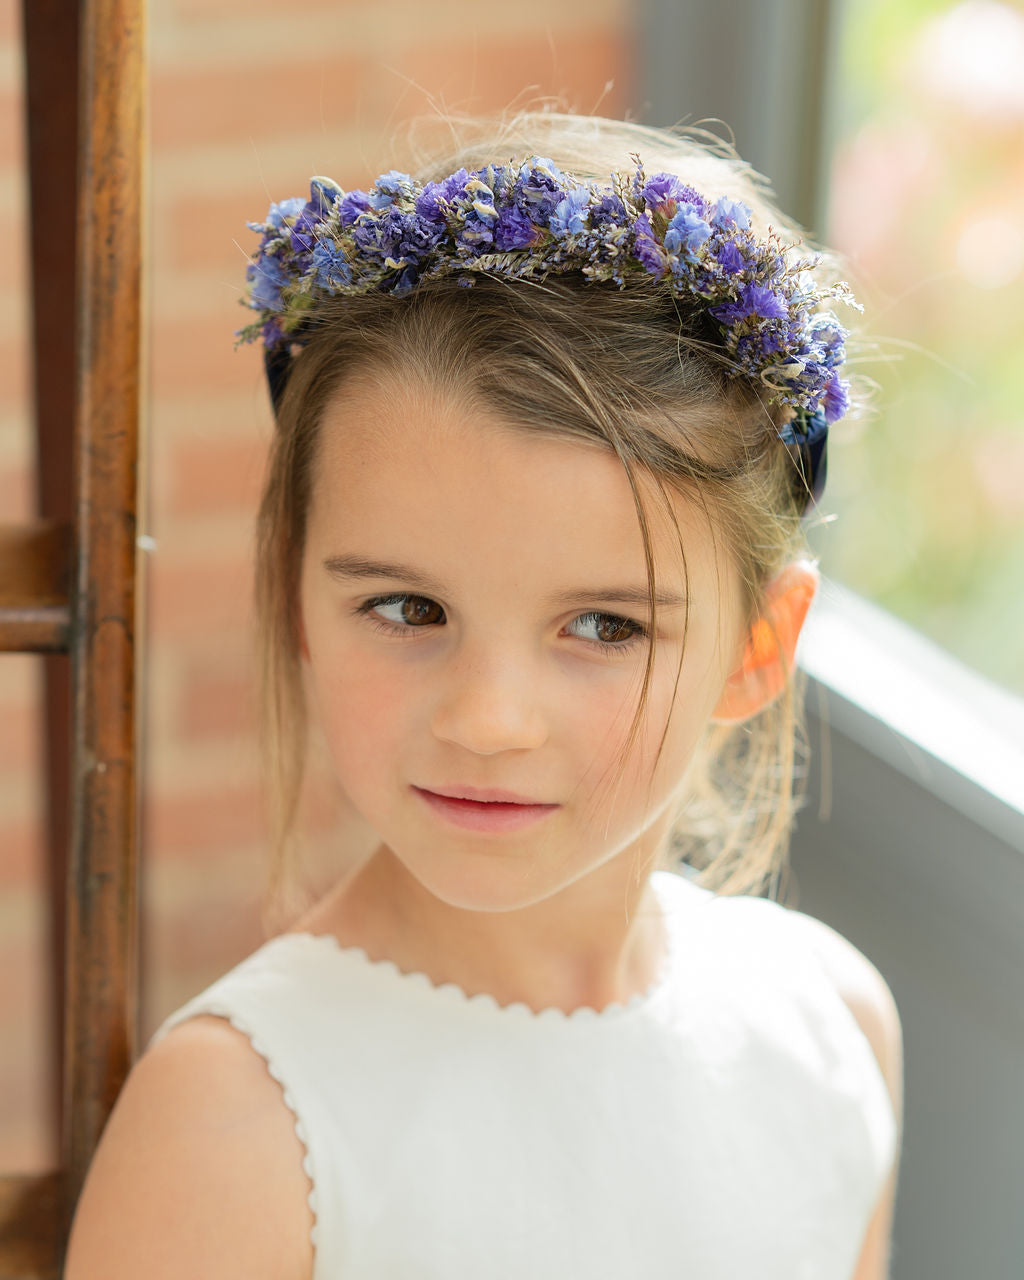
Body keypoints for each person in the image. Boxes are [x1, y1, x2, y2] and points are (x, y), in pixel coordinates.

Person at [65, 112, 903, 1280]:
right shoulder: (238, 1123)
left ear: (755, 650)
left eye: (603, 625)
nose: (486, 718)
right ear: (295, 593)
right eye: (409, 609)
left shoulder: (830, 1030)